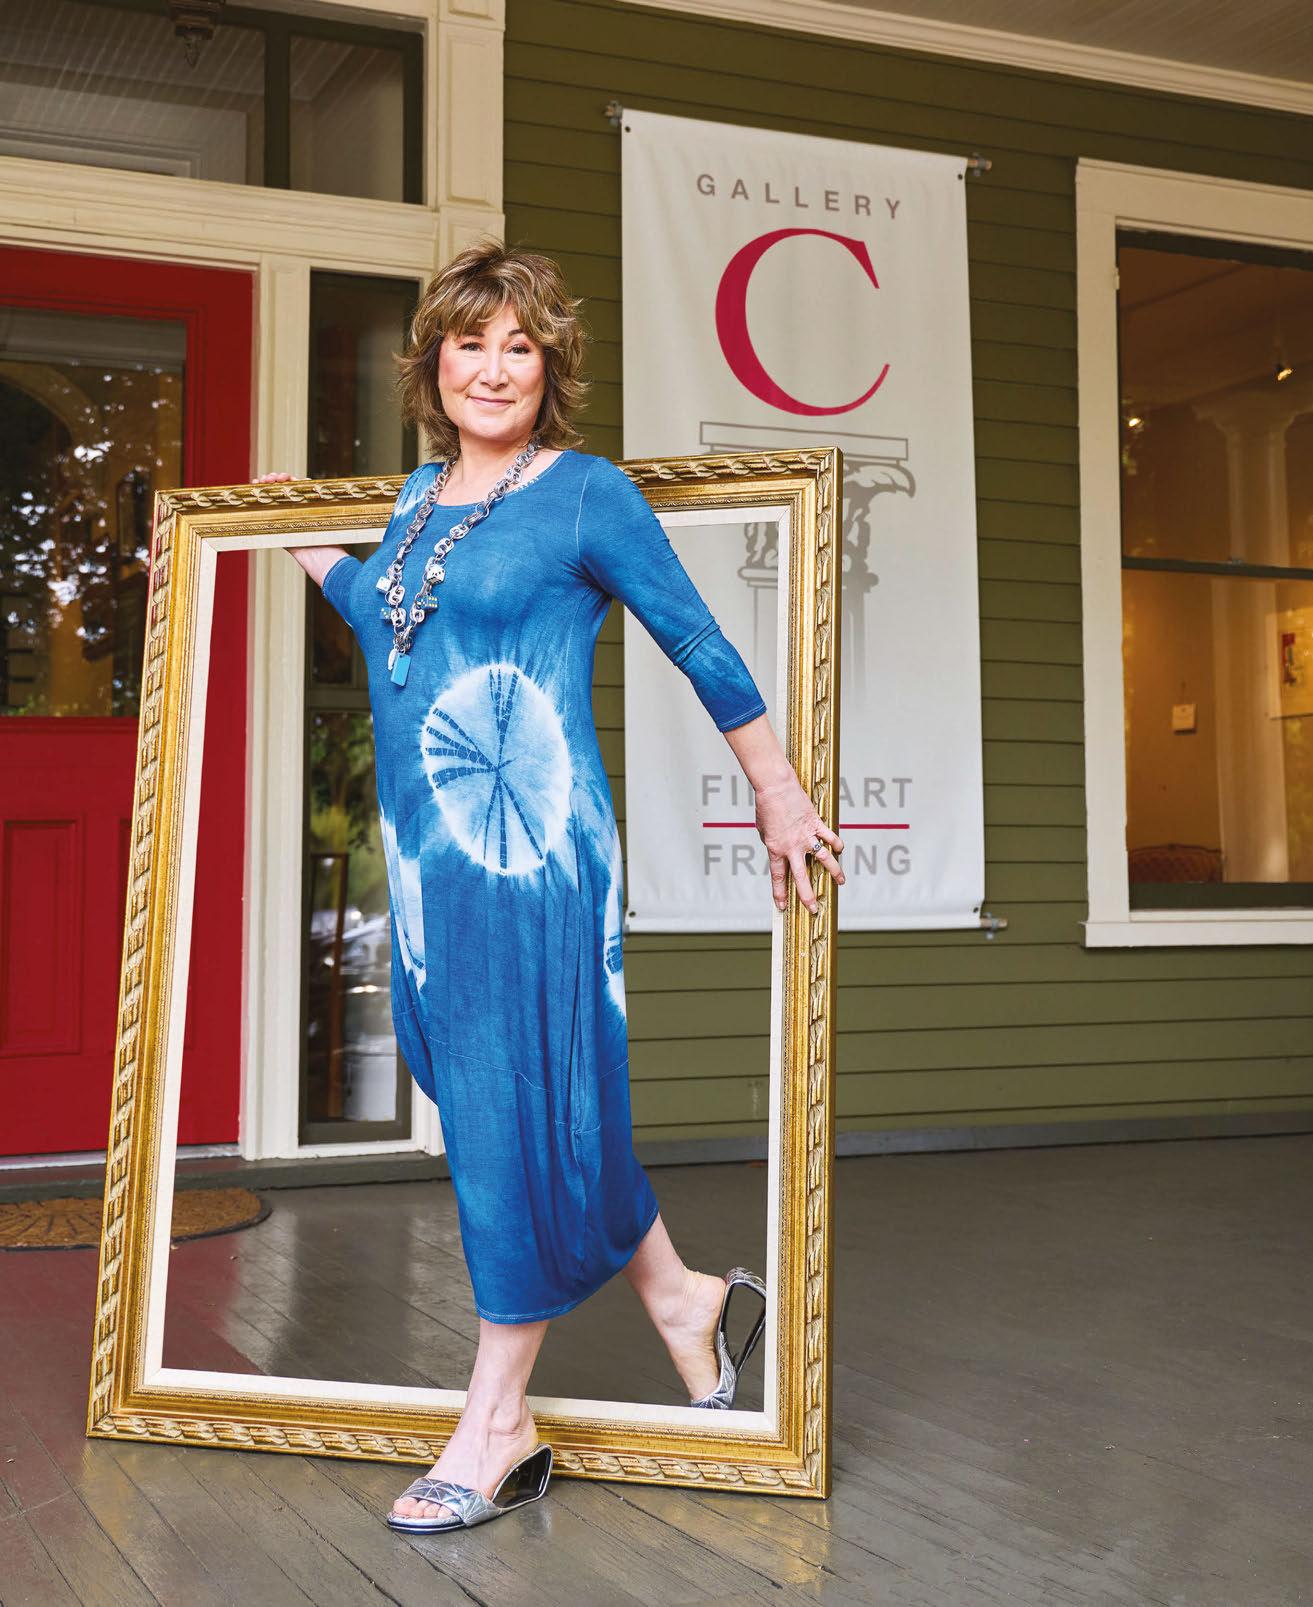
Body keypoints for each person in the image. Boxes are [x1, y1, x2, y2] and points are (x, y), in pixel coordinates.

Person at [263, 238, 844, 1534]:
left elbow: (697, 639)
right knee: (513, 1096)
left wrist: (775, 787)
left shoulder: (584, 494)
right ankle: (686, 1301)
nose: (492, 367)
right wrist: (283, 544)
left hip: (533, 853)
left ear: (550, 368)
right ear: (432, 364)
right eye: (469, 343)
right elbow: (397, 628)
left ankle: (499, 1422)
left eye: (518, 346)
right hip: (429, 855)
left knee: (504, 1105)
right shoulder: (418, 497)